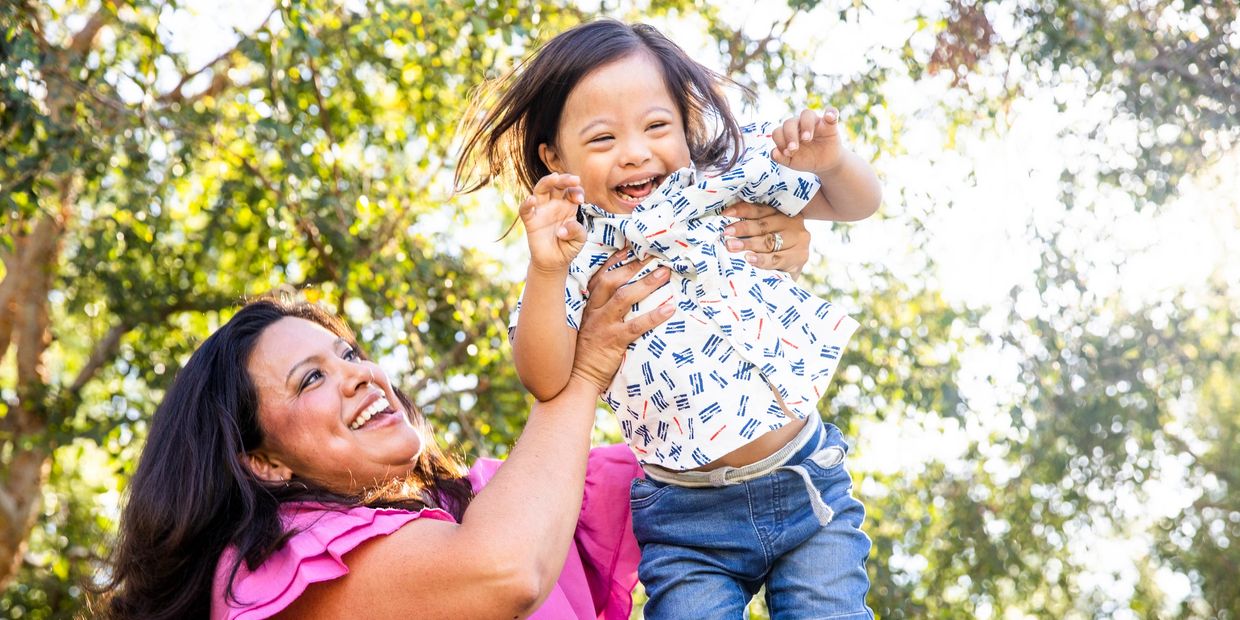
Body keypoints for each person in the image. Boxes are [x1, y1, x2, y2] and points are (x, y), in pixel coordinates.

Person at [455, 19, 881, 619]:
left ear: (685, 124)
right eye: (601, 139)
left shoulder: (724, 178)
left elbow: (856, 204)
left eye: (656, 126)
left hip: (805, 480)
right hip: (687, 518)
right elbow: (545, 378)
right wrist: (546, 270)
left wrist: (833, 161)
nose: (634, 151)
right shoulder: (575, 257)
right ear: (556, 156)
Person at [97, 258, 671, 619]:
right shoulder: (275, 568)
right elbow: (503, 572)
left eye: (349, 354)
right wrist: (585, 373)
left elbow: (687, 472)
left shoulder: (476, 504)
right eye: (312, 378)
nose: (361, 373)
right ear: (263, 461)